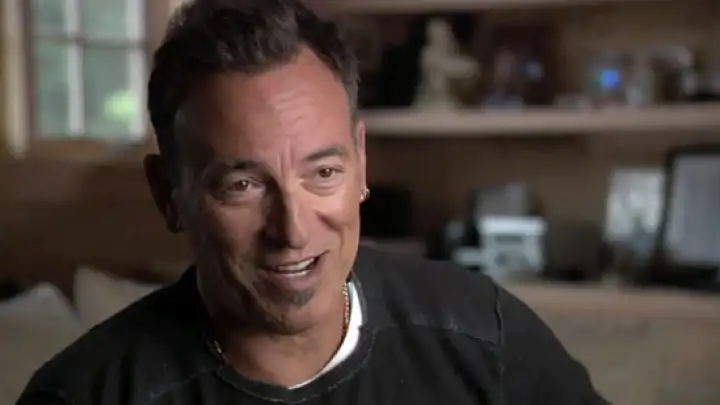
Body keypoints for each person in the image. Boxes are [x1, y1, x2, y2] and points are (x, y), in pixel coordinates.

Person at [17, 1, 607, 404]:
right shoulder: (84, 393)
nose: (293, 230)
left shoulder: (484, 339)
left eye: (323, 173)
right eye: (242, 185)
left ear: (361, 167)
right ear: (168, 193)